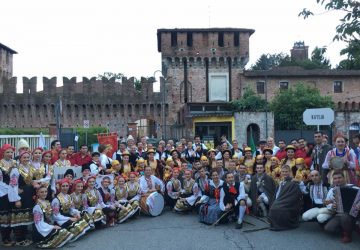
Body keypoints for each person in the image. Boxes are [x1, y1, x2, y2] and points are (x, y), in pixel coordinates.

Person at [324, 171, 360, 243]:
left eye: (339, 177)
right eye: (335, 178)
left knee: (345, 217)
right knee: (328, 228)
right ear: (333, 180)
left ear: (344, 178)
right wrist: (332, 206)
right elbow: (327, 203)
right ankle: (350, 226)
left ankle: (347, 235)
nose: (337, 180)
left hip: (354, 214)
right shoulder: (332, 190)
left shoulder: (355, 188)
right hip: (338, 214)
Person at [9, 151, 35, 246]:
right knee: (19, 217)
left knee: (25, 217)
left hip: (28, 195)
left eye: (28, 157)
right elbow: (13, 185)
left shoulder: (29, 167)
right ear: (20, 159)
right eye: (24, 158)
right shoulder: (16, 169)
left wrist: (34, 184)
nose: (26, 159)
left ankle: (23, 237)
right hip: (20, 196)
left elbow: (30, 180)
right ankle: (19, 240)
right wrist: (16, 199)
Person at [268, 165, 302, 231]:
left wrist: (281, 203)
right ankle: (276, 223)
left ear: (289, 172)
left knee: (276, 208)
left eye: (286, 171)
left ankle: (281, 225)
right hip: (280, 201)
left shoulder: (294, 183)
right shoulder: (281, 182)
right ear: (281, 173)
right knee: (273, 207)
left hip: (289, 204)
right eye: (283, 172)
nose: (284, 173)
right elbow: (277, 194)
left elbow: (294, 197)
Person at [0, 144, 17, 246]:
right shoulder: (0, 164)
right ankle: (4, 238)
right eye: (8, 152)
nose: (10, 154)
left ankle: (9, 236)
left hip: (13, 192)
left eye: (11, 152)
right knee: (4, 215)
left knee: (11, 215)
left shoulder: (14, 162)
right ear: (3, 153)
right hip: (3, 193)